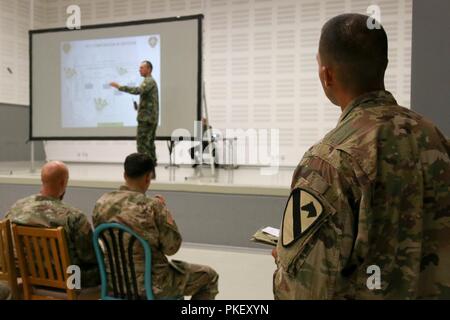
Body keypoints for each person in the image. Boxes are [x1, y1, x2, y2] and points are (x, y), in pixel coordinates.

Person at [273, 13, 450, 299]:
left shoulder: (328, 161)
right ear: (385, 65)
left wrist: (285, 263)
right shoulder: (436, 139)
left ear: (326, 75)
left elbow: (303, 290)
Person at [92, 153, 219, 299]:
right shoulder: (153, 207)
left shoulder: (101, 203)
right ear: (148, 177)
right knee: (209, 276)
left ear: (125, 175)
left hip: (114, 282)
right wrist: (166, 213)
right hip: (153, 285)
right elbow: (172, 248)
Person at [6, 161, 100, 289]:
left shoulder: (17, 208)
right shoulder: (74, 217)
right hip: (68, 282)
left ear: (42, 180)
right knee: (106, 268)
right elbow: (91, 257)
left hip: (26, 276)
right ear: (63, 183)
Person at [110, 60, 159, 170]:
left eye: (142, 67)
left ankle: (145, 170)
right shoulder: (149, 81)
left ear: (149, 69)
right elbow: (148, 100)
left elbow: (138, 90)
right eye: (139, 68)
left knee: (143, 145)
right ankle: (151, 170)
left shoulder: (149, 81)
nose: (139, 69)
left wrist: (120, 87)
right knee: (149, 144)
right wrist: (139, 108)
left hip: (146, 120)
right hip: (148, 118)